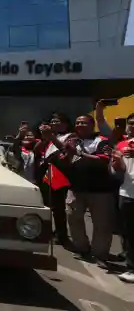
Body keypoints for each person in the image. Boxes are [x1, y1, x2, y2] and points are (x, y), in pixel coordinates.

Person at [44, 115, 114, 265]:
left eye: (84, 122)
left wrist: (79, 154)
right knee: (73, 219)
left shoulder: (101, 141)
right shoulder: (72, 140)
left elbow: (103, 160)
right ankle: (82, 248)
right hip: (76, 188)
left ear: (92, 125)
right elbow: (65, 153)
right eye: (78, 122)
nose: (80, 124)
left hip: (100, 190)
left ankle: (99, 254)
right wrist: (52, 138)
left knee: (101, 224)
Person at [36, 113, 72, 246]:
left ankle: (61, 235)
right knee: (46, 204)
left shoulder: (70, 136)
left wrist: (50, 136)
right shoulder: (51, 138)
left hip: (60, 173)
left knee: (58, 206)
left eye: (57, 121)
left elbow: (65, 150)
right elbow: (37, 150)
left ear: (65, 124)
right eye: (52, 121)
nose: (54, 123)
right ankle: (46, 230)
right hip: (47, 172)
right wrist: (44, 138)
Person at [111, 113, 134, 282]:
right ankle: (131, 267)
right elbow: (117, 172)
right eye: (131, 123)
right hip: (127, 193)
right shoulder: (122, 144)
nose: (132, 126)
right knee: (128, 232)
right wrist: (117, 164)